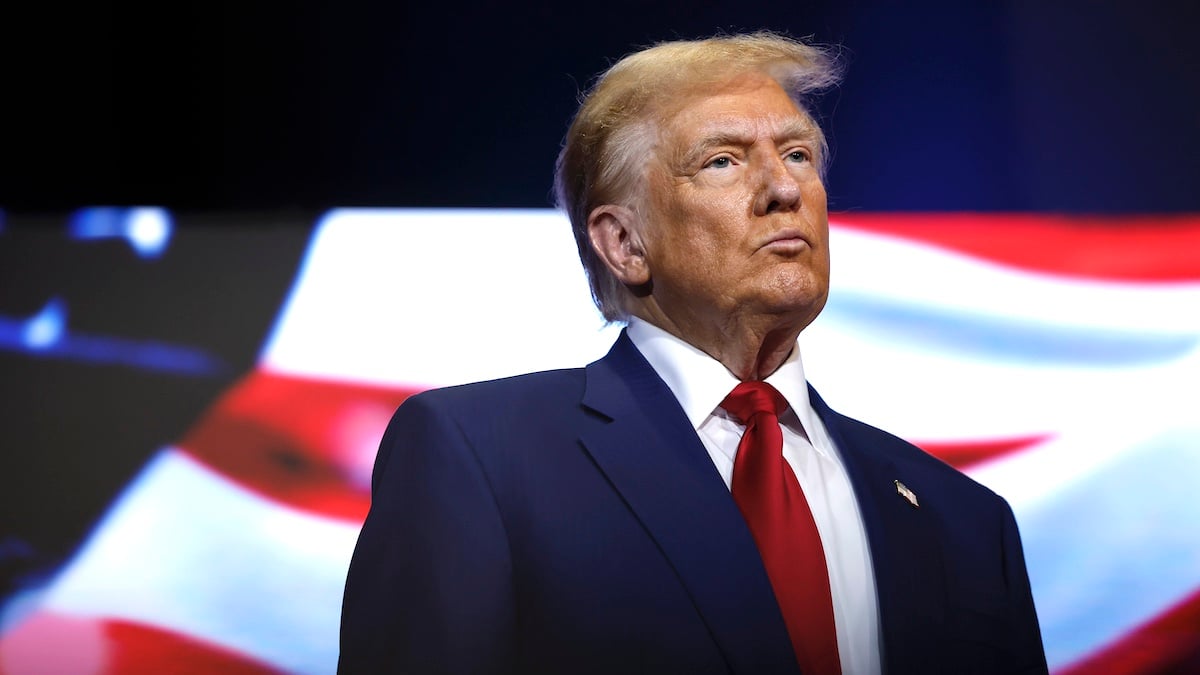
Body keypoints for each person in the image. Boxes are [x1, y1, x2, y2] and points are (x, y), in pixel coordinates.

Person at [338, 31, 1048, 674]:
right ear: (623, 243)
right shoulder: (482, 459)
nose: (782, 188)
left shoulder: (965, 521)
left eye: (797, 153)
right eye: (722, 161)